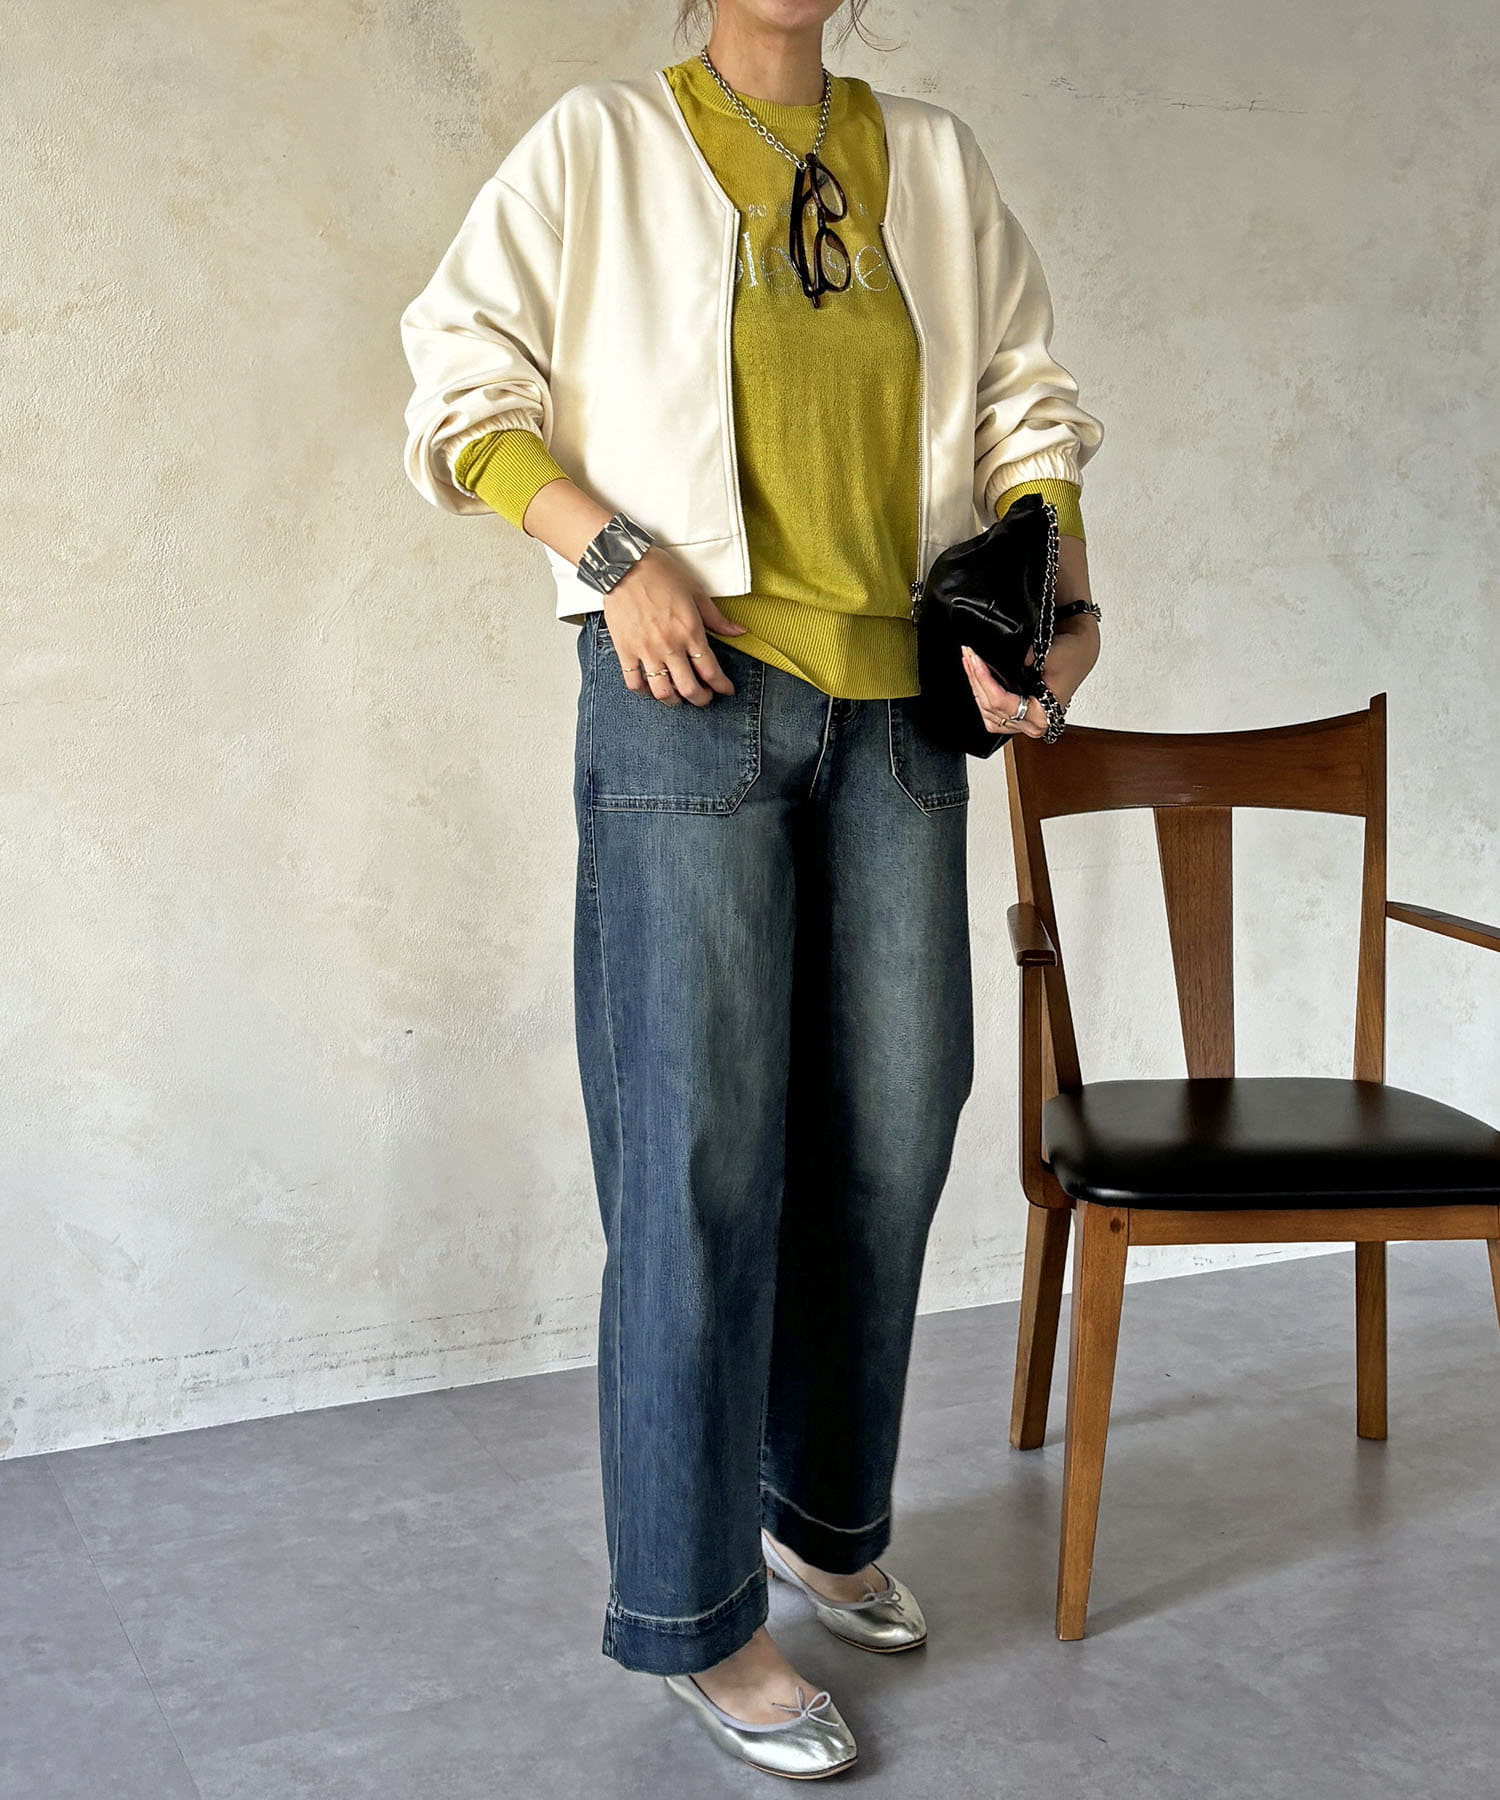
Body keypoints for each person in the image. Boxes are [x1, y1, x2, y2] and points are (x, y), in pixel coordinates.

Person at [401, 0, 1105, 1778]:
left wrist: (1063, 598)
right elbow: (461, 381)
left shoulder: (928, 157)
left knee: (895, 1126)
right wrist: (610, 551)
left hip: (901, 719)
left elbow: (1026, 404)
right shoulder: (602, 143)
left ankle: (823, 1515)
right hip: (688, 697)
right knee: (698, 1158)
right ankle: (697, 1611)